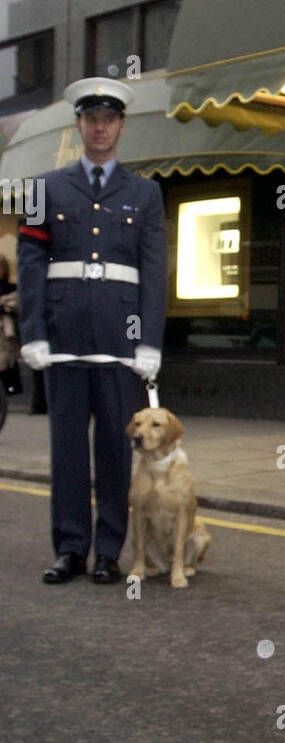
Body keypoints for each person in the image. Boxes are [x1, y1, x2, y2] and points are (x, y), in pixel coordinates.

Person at [17, 79, 166, 584]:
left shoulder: (146, 193)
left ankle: (108, 550)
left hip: (119, 340)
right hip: (62, 337)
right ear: (78, 124)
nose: (100, 128)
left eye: (109, 119)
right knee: (67, 447)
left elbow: (152, 270)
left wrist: (149, 341)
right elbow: (31, 261)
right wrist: (32, 331)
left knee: (114, 447)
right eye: (91, 119)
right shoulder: (41, 189)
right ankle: (70, 548)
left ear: (121, 126)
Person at [0, 255, 22, 395]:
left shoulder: (10, 288)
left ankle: (9, 388)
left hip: (5, 330)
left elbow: (16, 304)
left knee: (7, 359)